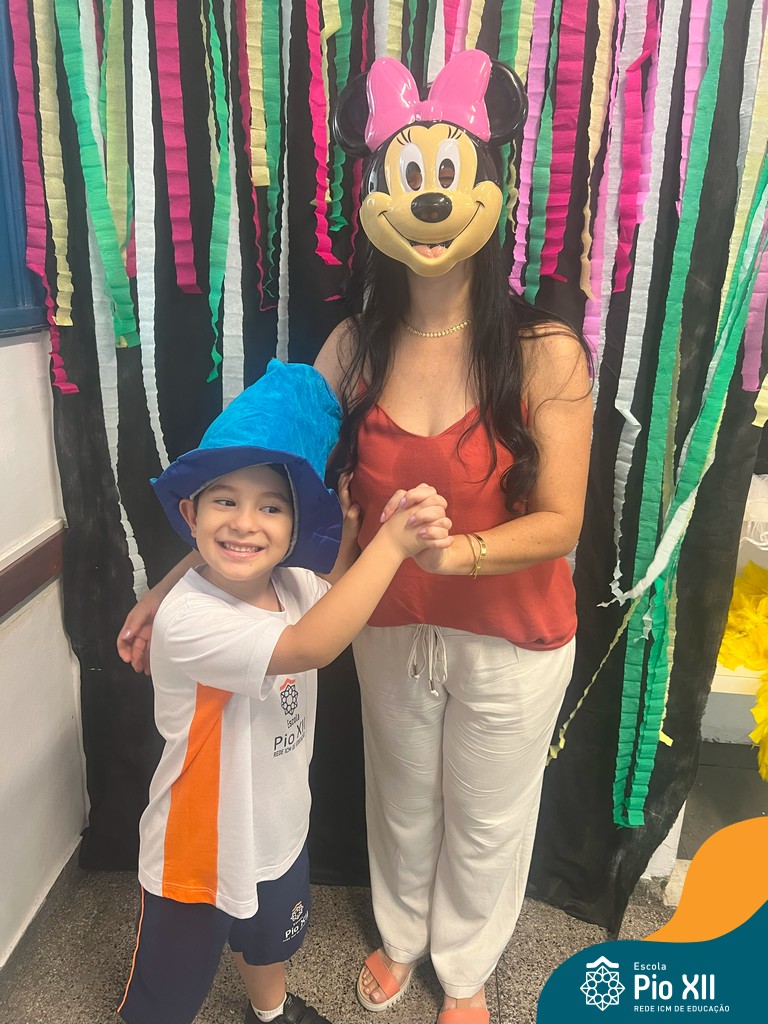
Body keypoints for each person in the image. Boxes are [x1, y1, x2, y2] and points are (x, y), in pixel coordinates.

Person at [119, 50, 592, 1024]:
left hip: (513, 632)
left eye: (450, 177)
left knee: (487, 816)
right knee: (402, 798)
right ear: (378, 196)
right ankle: (403, 936)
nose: (430, 203)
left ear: (490, 187)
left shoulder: (545, 351)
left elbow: (562, 523)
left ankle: (465, 969)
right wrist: (173, 583)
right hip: (386, 625)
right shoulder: (354, 346)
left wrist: (456, 554)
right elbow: (252, 477)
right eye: (407, 180)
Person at [116, 360, 452, 1024]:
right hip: (199, 850)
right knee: (168, 993)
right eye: (224, 501)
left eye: (270, 506)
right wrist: (392, 545)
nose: (245, 523)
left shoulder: (292, 583)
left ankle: (270, 1014)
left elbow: (335, 591)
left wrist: (353, 531)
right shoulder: (189, 617)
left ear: (295, 527)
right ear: (189, 514)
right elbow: (310, 646)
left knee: (269, 943)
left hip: (277, 827)